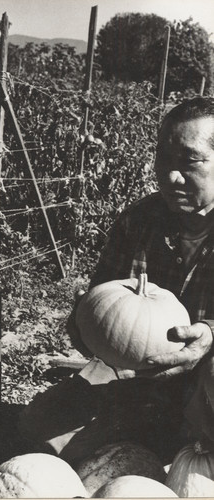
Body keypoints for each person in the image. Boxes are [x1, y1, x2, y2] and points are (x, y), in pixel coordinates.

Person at [19, 96, 214, 461]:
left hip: (206, 380)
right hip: (138, 376)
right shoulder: (141, 220)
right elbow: (108, 311)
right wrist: (88, 320)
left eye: (189, 162)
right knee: (41, 429)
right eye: (163, 160)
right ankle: (153, 434)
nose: (172, 176)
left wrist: (211, 335)